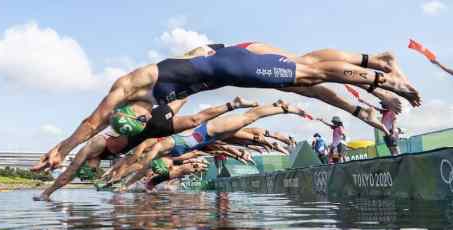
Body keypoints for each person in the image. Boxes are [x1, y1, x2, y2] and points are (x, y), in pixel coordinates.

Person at [32, 43, 419, 172]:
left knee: (307, 75)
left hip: (232, 62)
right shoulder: (156, 109)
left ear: (129, 111)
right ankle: (370, 97)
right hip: (231, 67)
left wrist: (61, 149)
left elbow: (92, 121)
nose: (143, 122)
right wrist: (63, 153)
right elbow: (97, 129)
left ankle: (382, 76)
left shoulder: (130, 86)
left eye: (136, 121)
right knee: (307, 80)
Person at [33, 97, 258, 200]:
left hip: (150, 124)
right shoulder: (105, 155)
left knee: (188, 108)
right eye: (93, 170)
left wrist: (47, 192)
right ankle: (231, 105)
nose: (92, 168)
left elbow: (70, 170)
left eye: (90, 169)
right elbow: (125, 165)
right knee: (193, 121)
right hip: (153, 132)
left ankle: (231, 104)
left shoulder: (94, 146)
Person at [107, 100, 309, 185]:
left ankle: (280, 108)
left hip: (208, 131)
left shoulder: (160, 148)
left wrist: (123, 180)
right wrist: (123, 180)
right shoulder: (174, 158)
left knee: (249, 119)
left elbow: (139, 164)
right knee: (246, 133)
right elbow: (139, 165)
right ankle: (268, 139)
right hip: (209, 139)